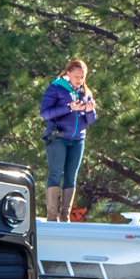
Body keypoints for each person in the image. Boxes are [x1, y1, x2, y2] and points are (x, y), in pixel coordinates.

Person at [41, 57, 99, 221]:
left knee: (71, 176)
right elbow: (45, 113)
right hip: (58, 138)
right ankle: (52, 216)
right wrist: (68, 108)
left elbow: (91, 120)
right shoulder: (56, 88)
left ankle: (65, 216)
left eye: (82, 77)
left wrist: (89, 111)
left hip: (78, 139)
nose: (79, 80)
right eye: (76, 77)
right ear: (68, 73)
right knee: (55, 173)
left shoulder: (85, 92)